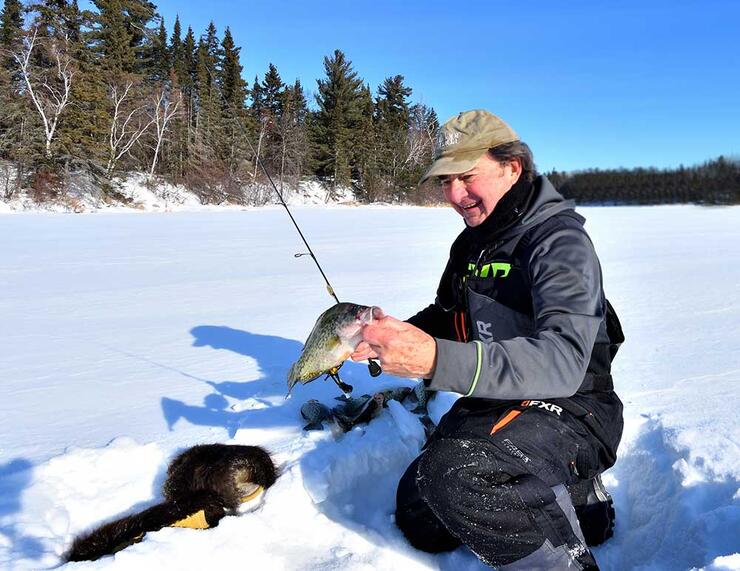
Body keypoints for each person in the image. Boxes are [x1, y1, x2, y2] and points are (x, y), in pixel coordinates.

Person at [350, 109, 624, 570]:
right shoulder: (473, 244)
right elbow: (447, 316)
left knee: (457, 479)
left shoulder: (559, 243)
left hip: (573, 406)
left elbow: (562, 360)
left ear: (511, 167)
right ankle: (568, 498)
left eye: (467, 176)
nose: (455, 195)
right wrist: (392, 335)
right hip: (498, 398)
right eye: (444, 180)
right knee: (420, 514)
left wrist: (434, 361)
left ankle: (575, 523)